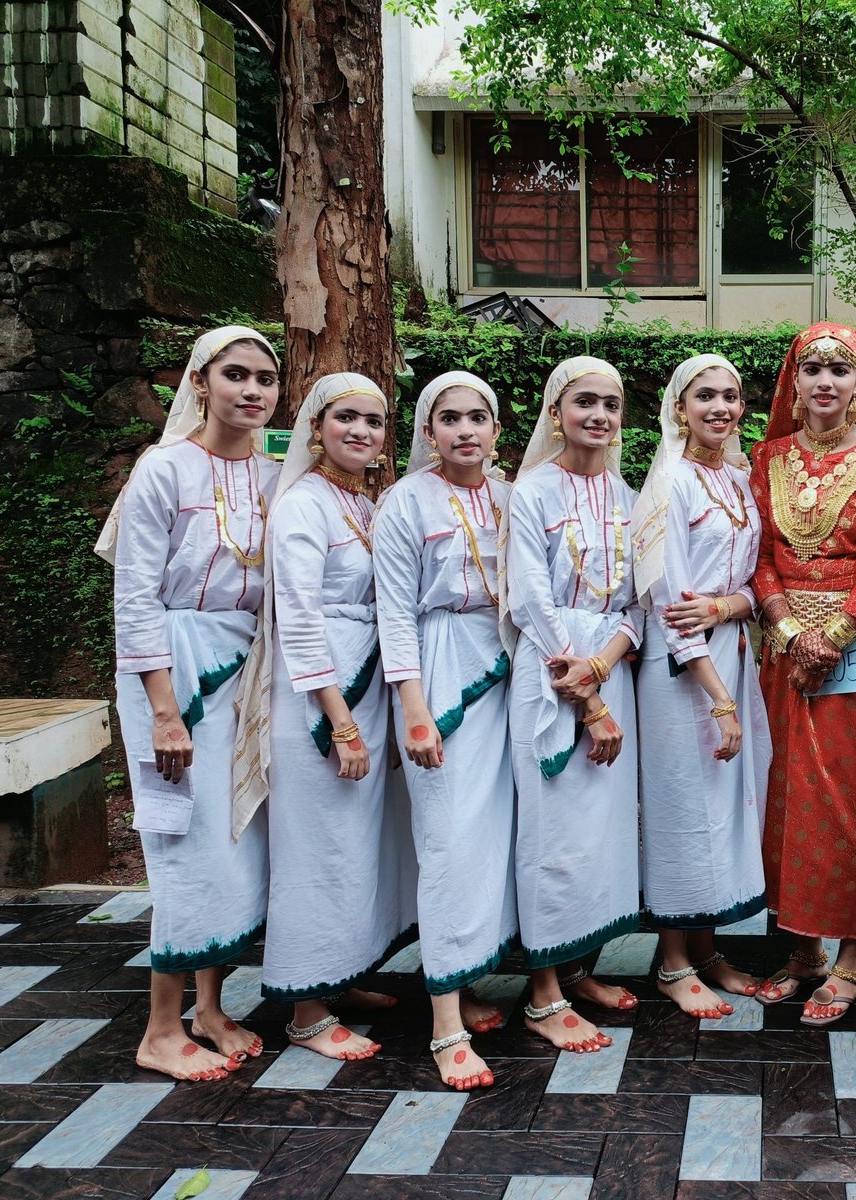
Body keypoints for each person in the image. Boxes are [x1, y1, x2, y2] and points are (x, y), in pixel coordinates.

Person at [100, 325, 280, 1082]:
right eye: (236, 374)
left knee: (235, 838)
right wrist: (165, 712)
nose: (252, 390)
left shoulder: (276, 476)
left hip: (246, 665)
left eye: (265, 378)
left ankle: (211, 1006)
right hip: (171, 672)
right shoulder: (163, 468)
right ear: (199, 382)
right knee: (183, 845)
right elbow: (135, 597)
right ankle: (160, 1029)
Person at [235, 372, 417, 1061]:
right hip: (318, 698)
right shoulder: (303, 504)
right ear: (316, 427)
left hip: (363, 683)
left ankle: (340, 974)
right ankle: (306, 1011)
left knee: (355, 844)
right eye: (346, 418)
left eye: (373, 421)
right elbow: (299, 619)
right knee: (315, 848)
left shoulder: (363, 504)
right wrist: (340, 723)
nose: (361, 431)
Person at [748, 322, 856, 1025]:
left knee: (844, 800)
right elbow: (757, 554)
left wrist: (836, 635)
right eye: (811, 367)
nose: (824, 381)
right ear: (794, 379)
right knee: (784, 798)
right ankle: (803, 952)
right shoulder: (767, 456)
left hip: (853, 652)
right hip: (782, 649)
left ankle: (850, 954)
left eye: (839, 369)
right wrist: (790, 633)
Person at [374, 371, 516, 1090]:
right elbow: (394, 611)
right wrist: (414, 707)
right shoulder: (406, 500)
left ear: (496, 429)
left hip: (505, 670)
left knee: (491, 842)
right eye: (450, 418)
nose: (466, 430)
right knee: (447, 843)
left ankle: (467, 978)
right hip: (438, 666)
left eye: (478, 417)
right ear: (428, 432)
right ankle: (445, 1024)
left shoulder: (510, 497)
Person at [503, 357, 644, 1053]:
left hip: (608, 669)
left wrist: (605, 664)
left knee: (601, 836)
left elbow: (638, 603)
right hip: (550, 672)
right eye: (585, 402)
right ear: (555, 413)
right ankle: (542, 992)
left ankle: (579, 968)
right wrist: (586, 696)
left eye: (611, 404)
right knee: (552, 834)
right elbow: (530, 598)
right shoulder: (530, 491)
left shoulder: (628, 495)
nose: (599, 416)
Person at [633, 354, 771, 1017]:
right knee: (682, 805)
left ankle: (708, 947)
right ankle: (672, 959)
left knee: (724, 805)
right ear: (679, 408)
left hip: (731, 650)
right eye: (705, 396)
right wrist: (720, 700)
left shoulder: (741, 480)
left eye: (731, 396)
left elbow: (752, 583)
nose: (720, 407)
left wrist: (729, 606)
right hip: (681, 670)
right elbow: (670, 601)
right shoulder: (670, 483)